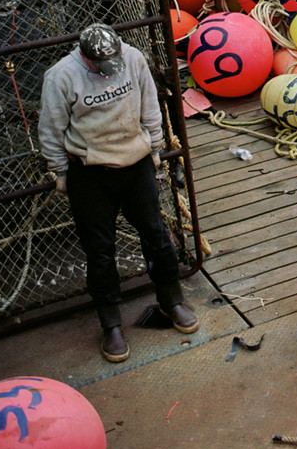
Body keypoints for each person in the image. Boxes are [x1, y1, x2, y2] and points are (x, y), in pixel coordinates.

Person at [39, 23, 197, 362]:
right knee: (100, 250)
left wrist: (155, 147)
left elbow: (149, 106)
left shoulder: (133, 59)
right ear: (86, 57)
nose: (109, 71)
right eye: (101, 65)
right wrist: (61, 172)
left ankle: (172, 301)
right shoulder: (61, 77)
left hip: (135, 161)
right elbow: (51, 128)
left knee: (156, 234)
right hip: (90, 171)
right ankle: (110, 323)